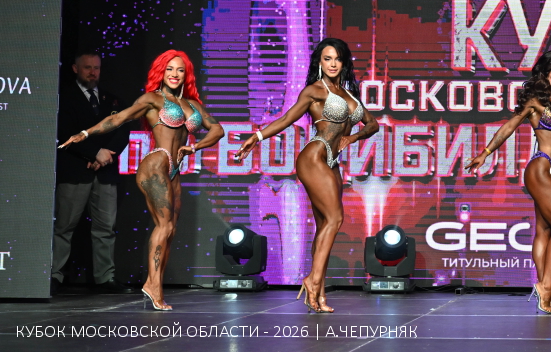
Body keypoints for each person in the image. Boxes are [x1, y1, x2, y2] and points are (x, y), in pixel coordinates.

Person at [58, 50, 224, 310]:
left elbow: (217, 129)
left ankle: (153, 282)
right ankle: (153, 286)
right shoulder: (152, 99)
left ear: (186, 74)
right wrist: (85, 134)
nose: (175, 74)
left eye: (180, 70)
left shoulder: (192, 105)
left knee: (170, 230)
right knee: (164, 226)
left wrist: (195, 146)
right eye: (170, 69)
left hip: (174, 169)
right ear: (161, 71)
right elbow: (118, 118)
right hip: (156, 164)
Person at [234, 38, 378, 314]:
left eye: (337, 59)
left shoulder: (350, 95)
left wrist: (353, 137)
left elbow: (373, 125)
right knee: (335, 219)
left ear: (344, 62)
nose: (333, 64)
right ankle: (312, 280)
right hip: (314, 157)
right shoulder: (314, 90)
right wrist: (257, 136)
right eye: (327, 58)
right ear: (319, 62)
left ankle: (318, 294)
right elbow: (286, 118)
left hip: (332, 162)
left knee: (324, 225)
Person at [466, 49, 551, 314]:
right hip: (540, 168)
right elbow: (509, 127)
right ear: (545, 70)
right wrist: (485, 153)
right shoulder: (535, 101)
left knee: (544, 230)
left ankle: (545, 294)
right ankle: (546, 287)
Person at [53, 51, 132, 294]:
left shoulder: (112, 100)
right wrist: (94, 153)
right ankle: (54, 275)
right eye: (87, 67)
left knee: (105, 228)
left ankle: (105, 278)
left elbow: (122, 130)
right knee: (64, 226)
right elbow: (64, 131)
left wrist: (106, 155)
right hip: (75, 172)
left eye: (96, 68)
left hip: (105, 173)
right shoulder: (63, 98)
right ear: (75, 69)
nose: (92, 72)